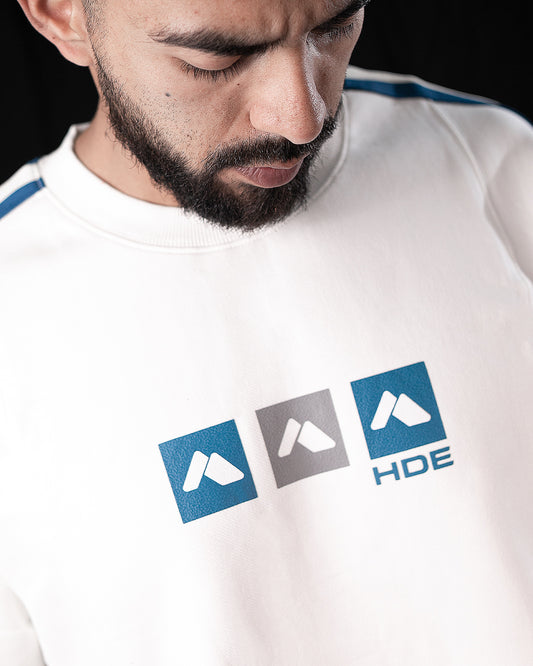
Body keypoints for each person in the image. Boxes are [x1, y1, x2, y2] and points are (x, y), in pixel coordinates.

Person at [1, 0, 532, 664]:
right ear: (62, 15)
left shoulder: (490, 164)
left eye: (334, 27)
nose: (301, 118)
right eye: (216, 58)